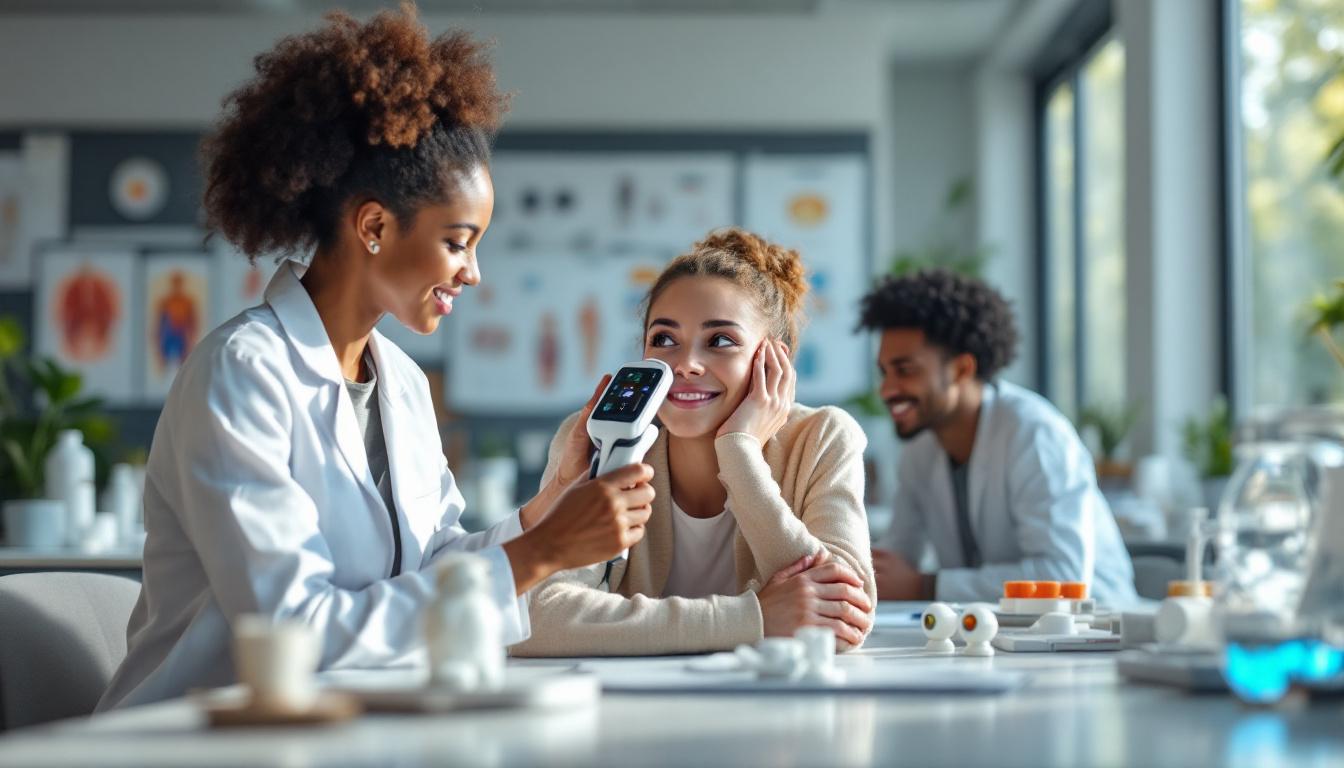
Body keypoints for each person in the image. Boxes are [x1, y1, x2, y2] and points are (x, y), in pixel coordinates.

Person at [99, 8, 654, 710]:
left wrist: (546, 513)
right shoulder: (241, 372)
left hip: (341, 726)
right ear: (374, 226)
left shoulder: (402, 382)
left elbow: (431, 566)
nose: (473, 273)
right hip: (192, 736)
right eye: (458, 242)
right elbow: (294, 628)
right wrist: (537, 556)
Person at [513, 228, 875, 657]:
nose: (685, 364)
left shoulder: (822, 437)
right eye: (664, 340)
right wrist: (755, 618)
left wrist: (739, 452)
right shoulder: (599, 438)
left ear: (773, 362)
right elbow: (535, 620)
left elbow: (845, 617)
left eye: (720, 341)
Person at [859, 270, 1136, 606]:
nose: (887, 390)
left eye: (905, 370)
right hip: (995, 636)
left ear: (962, 369)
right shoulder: (921, 450)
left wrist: (926, 587)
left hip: (1094, 631)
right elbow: (895, 562)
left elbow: (1064, 575)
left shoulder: (1034, 432)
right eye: (884, 372)